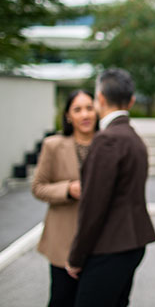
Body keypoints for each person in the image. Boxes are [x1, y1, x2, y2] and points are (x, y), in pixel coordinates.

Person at [66, 68, 155, 307]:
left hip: (110, 247)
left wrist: (76, 257)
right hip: (133, 244)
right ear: (132, 100)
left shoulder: (108, 139)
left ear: (101, 99)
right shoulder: (134, 138)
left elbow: (93, 206)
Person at [32, 89, 98, 307]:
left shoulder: (106, 144)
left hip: (99, 241)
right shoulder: (53, 145)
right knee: (61, 299)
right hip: (63, 241)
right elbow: (38, 188)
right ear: (68, 116)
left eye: (89, 107)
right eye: (77, 109)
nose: (85, 114)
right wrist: (67, 190)